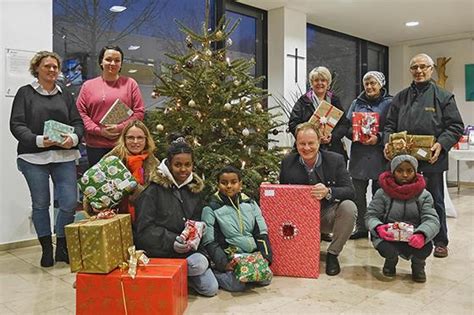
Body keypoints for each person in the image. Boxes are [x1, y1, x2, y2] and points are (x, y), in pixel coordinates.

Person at [384, 53, 464, 258]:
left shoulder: (443, 96)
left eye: (423, 67)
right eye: (414, 67)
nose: (418, 71)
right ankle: (403, 237)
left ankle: (440, 241)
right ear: (410, 71)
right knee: (401, 201)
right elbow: (389, 126)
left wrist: (441, 144)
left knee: (434, 201)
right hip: (403, 163)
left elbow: (456, 126)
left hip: (432, 161)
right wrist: (387, 143)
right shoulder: (400, 97)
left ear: (431, 69)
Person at [9, 51, 84, 267]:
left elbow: (78, 122)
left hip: (64, 155)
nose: (52, 70)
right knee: (41, 204)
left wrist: (73, 137)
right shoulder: (25, 93)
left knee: (69, 202)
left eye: (55, 67)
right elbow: (17, 125)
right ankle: (46, 249)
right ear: (37, 69)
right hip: (33, 156)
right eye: (47, 66)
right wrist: (40, 140)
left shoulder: (65, 95)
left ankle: (62, 246)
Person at [133, 135, 218, 297]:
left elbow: (196, 220)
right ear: (169, 165)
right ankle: (169, 277)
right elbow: (144, 231)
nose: (183, 170)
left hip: (187, 252)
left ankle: (182, 279)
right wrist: (172, 241)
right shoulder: (153, 191)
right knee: (198, 267)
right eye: (178, 165)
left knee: (210, 288)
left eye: (188, 165)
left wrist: (197, 232)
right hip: (161, 252)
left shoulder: (194, 190)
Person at [279, 122, 356, 276]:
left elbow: (350, 191)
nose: (306, 148)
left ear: (319, 142)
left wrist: (328, 191)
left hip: (326, 214)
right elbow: (283, 195)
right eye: (302, 143)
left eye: (311, 143)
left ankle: (333, 254)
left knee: (349, 207)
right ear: (296, 143)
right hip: (299, 217)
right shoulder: (287, 162)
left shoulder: (336, 160)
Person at [366, 155, 440, 283]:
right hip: (389, 236)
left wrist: (422, 234)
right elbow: (371, 215)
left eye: (409, 171)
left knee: (426, 247)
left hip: (414, 235)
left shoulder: (424, 195)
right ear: (393, 172)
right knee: (386, 248)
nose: (405, 175)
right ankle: (390, 261)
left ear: (415, 172)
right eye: (400, 171)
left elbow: (432, 220)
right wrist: (378, 227)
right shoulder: (382, 193)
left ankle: (418, 265)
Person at [201, 166, 272, 292]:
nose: (229, 186)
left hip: (250, 255)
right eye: (224, 182)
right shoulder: (211, 207)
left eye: (233, 182)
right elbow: (209, 241)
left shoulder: (250, 203)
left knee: (265, 279)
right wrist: (223, 264)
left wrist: (265, 256)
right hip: (229, 256)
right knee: (236, 285)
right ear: (218, 184)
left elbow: (261, 232)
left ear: (240, 184)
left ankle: (243, 274)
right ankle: (215, 273)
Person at [76, 45, 145, 167]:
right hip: (95, 146)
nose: (112, 63)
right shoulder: (88, 86)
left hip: (123, 145)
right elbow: (80, 113)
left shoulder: (130, 84)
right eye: (108, 59)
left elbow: (139, 112)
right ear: (101, 62)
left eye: (117, 60)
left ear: (121, 64)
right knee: (98, 185)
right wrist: (99, 131)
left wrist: (120, 127)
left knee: (124, 184)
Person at [346, 71, 392, 239]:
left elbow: (392, 127)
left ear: (381, 84)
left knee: (379, 194)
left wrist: (379, 138)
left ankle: (377, 226)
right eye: (366, 83)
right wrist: (355, 133)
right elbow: (345, 126)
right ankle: (361, 227)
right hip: (359, 155)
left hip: (380, 155)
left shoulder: (390, 103)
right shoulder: (356, 103)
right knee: (358, 194)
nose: (369, 87)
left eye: (373, 83)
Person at [83, 120, 159, 221]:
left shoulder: (155, 165)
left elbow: (158, 199)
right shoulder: (110, 160)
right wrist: (95, 206)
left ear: (146, 140)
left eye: (140, 138)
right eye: (131, 138)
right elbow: (91, 190)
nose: (135, 142)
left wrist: (135, 188)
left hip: (147, 219)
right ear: (124, 139)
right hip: (114, 219)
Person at [289, 66, 350, 161]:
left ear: (328, 83)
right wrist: (311, 137)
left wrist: (332, 136)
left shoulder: (334, 100)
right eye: (316, 80)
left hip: (333, 150)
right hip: (308, 151)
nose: (320, 83)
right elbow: (293, 124)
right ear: (311, 83)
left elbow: (344, 124)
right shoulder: (303, 101)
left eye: (323, 80)